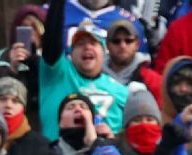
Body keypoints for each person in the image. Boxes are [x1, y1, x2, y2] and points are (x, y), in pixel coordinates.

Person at [38, 3, 129, 140]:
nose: (87, 47)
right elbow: (52, 36)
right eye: (80, 44)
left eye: (93, 43)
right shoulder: (56, 75)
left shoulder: (121, 92)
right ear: (71, 54)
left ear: (104, 52)